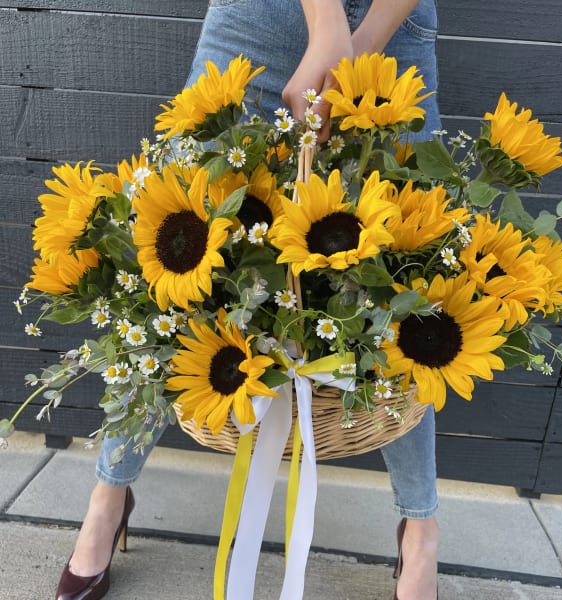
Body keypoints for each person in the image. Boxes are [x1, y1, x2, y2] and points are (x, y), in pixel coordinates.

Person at [55, 1, 441, 599]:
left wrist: (365, 41)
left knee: (411, 287)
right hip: (259, 16)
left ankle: (420, 529)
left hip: (394, 21)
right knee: (169, 264)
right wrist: (327, 23)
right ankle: (109, 496)